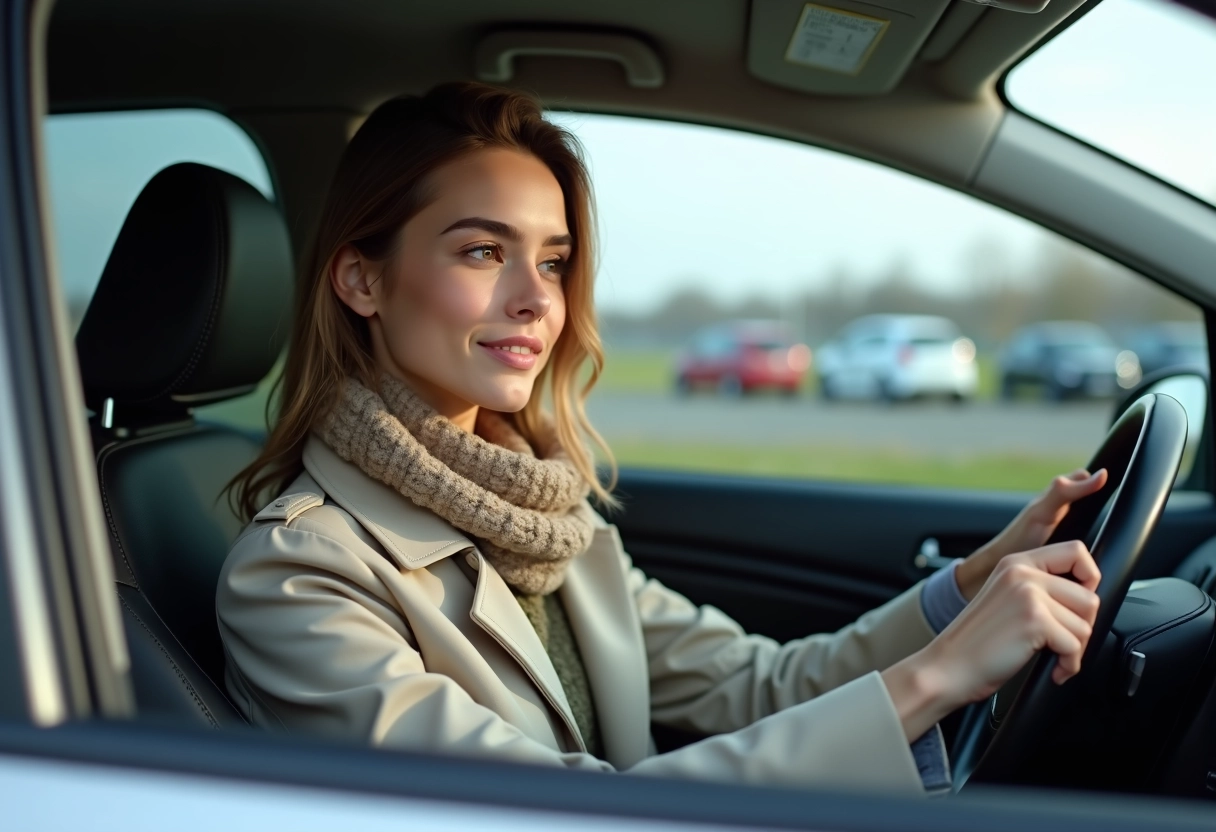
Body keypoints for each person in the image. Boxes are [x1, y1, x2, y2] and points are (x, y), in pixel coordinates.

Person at [217, 82, 1106, 795]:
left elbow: (759, 686)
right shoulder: (297, 577)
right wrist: (938, 677)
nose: (537, 300)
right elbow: (562, 820)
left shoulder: (542, 513)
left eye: (554, 260)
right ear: (363, 280)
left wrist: (967, 588)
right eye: (483, 252)